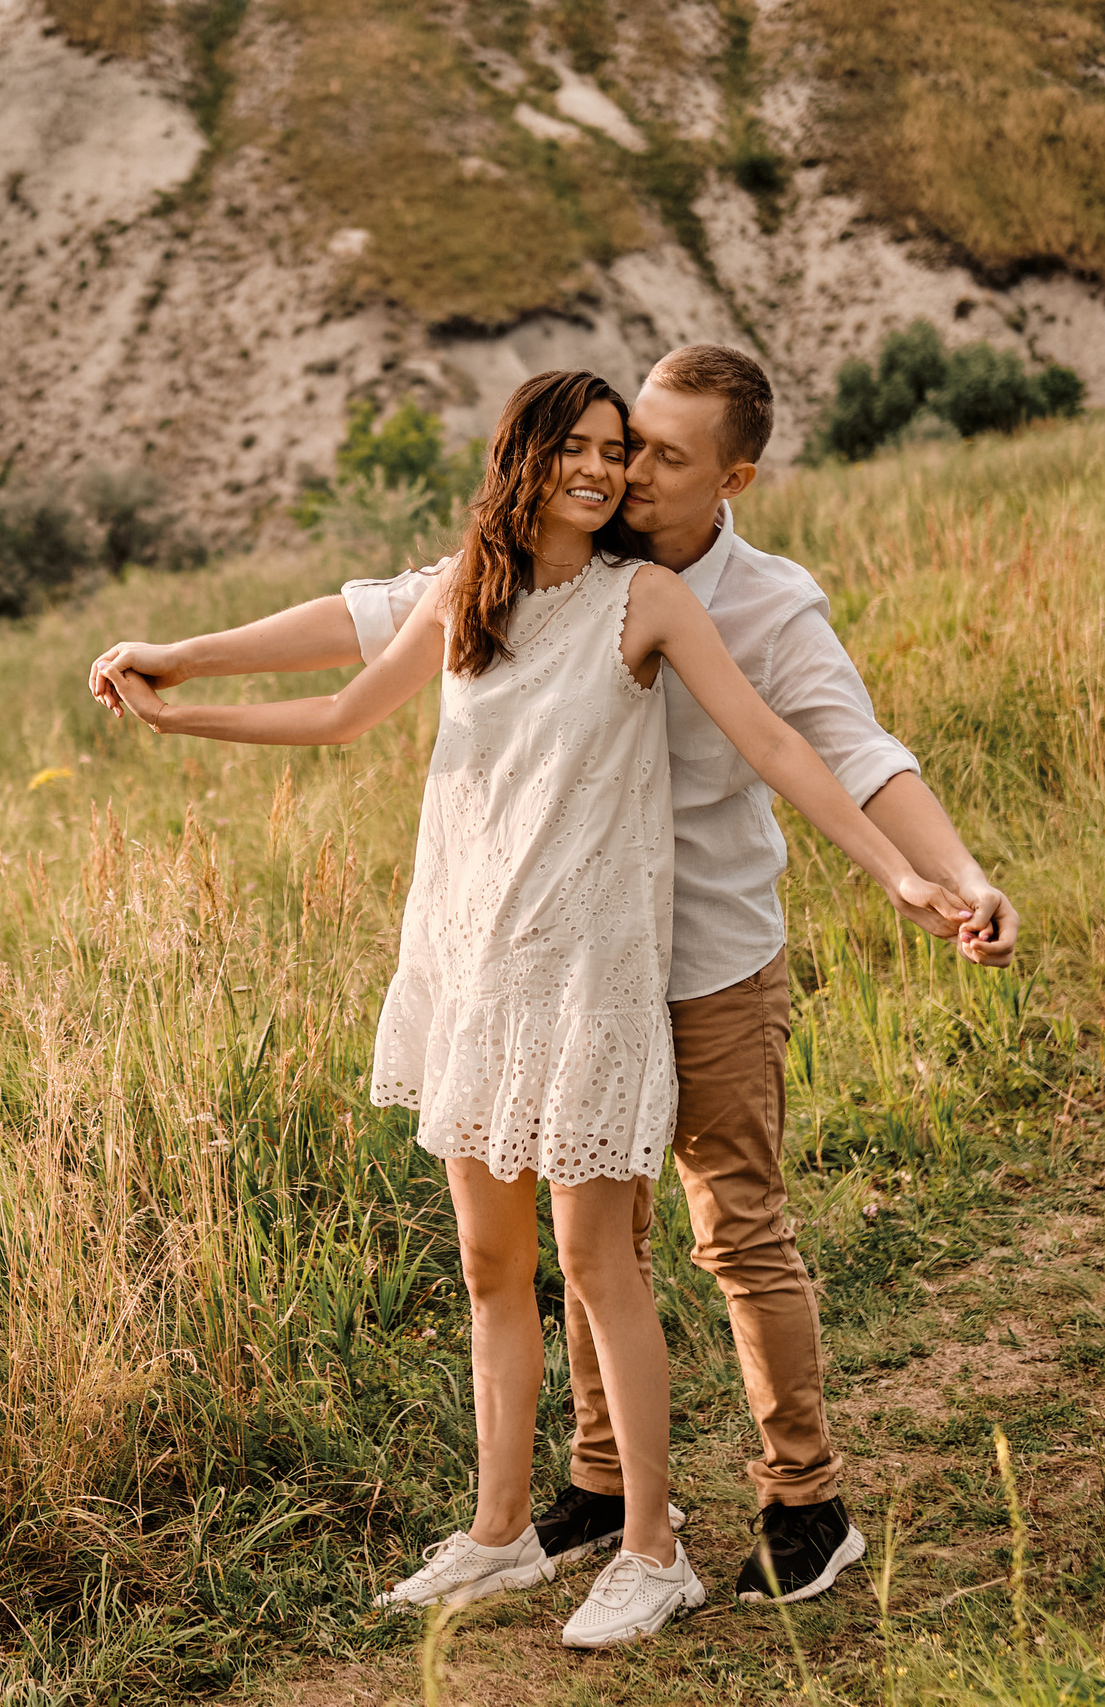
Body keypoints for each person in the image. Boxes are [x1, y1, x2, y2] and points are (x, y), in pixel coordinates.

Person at [90, 346, 1021, 1611]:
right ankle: (573, 1500)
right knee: (559, 1254)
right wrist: (181, 668)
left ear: (730, 478)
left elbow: (819, 745)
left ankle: (799, 1503)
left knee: (721, 1231)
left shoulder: (741, 601)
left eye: (646, 454)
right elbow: (362, 636)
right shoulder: (507, 572)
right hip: (513, 960)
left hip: (695, 955)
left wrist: (929, 875)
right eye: (608, 441)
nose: (621, 468)